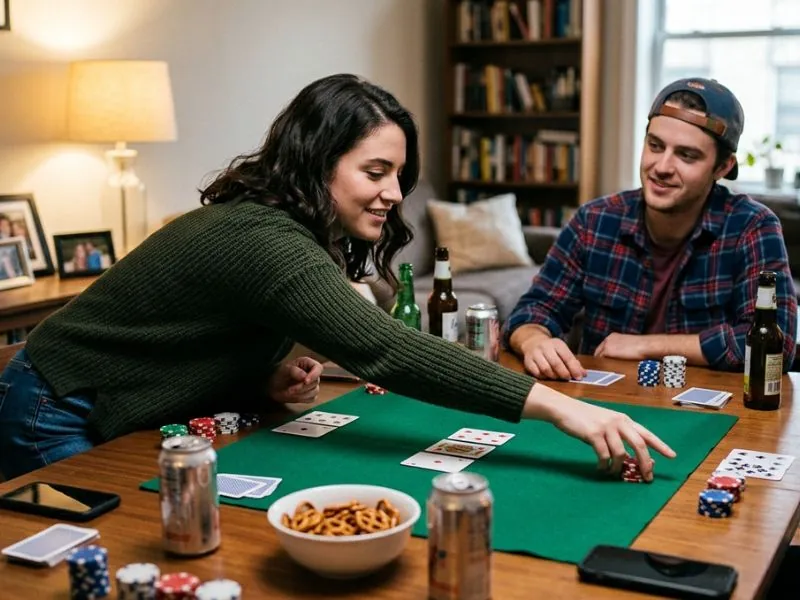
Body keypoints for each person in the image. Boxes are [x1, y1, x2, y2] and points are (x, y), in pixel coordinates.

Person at [0, 74, 675, 481]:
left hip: (93, 397)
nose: (392, 194)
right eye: (375, 172)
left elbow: (205, 333)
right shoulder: (264, 237)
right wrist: (563, 407)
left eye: (398, 178)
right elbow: (387, 348)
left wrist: (260, 373)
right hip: (53, 401)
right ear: (318, 163)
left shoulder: (289, 233)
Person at [504, 78, 797, 381]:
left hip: (710, 416)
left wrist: (646, 346)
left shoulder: (752, 227)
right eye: (655, 146)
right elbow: (534, 310)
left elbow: (778, 345)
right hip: (599, 410)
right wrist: (534, 341)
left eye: (687, 155)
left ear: (722, 168)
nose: (661, 167)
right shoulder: (594, 221)